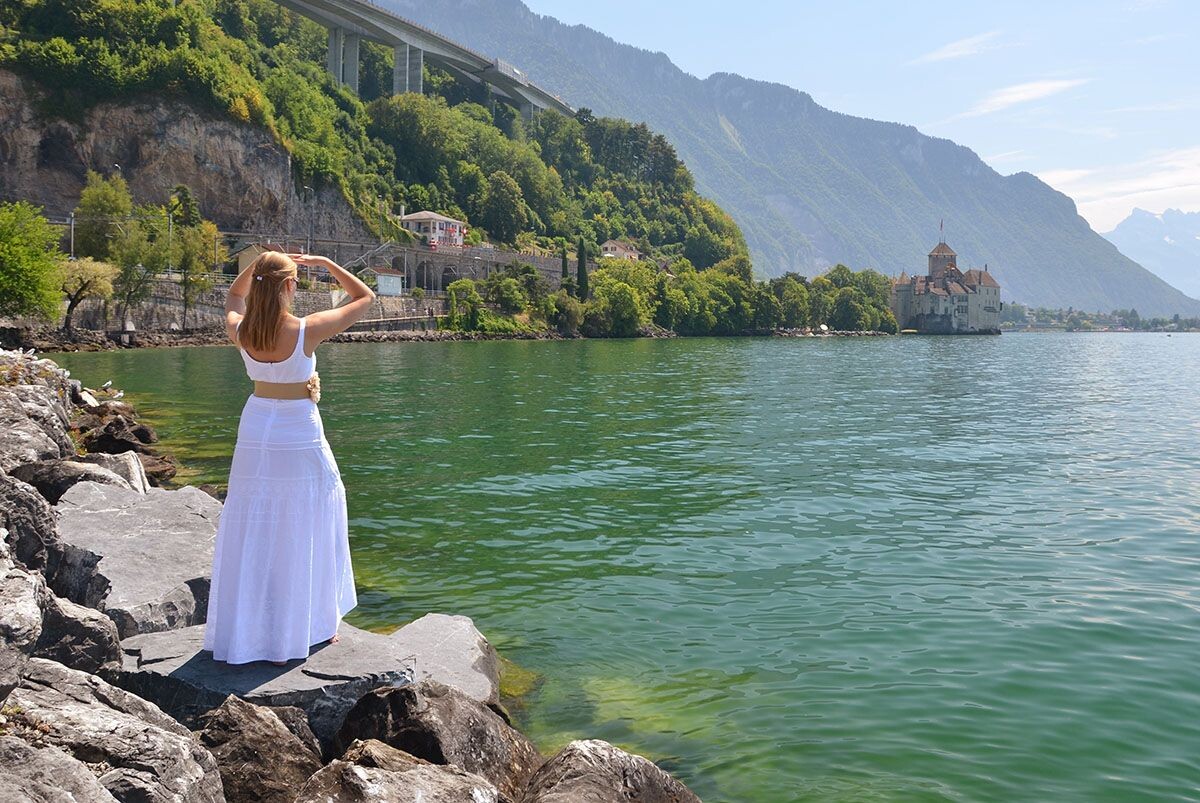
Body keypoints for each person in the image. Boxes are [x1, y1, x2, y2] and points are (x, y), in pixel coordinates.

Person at [203, 250, 375, 665]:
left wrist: (260, 267)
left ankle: (253, 631)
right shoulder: (305, 331)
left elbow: (232, 296)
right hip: (298, 431)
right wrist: (328, 263)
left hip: (256, 427)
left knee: (257, 522)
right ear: (290, 287)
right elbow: (365, 297)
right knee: (306, 517)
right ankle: (309, 625)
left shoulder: (241, 330)